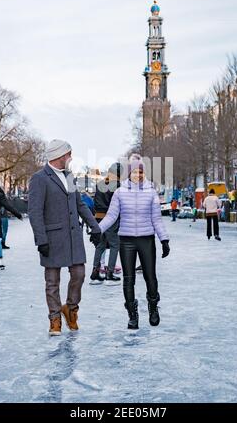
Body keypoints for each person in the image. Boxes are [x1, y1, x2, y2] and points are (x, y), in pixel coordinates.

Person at [28, 139, 101, 336]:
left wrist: (95, 228)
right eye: (69, 154)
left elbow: (80, 205)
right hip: (52, 238)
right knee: (52, 281)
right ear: (60, 155)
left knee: (79, 274)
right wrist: (41, 238)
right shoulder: (39, 178)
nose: (71, 157)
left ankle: (71, 308)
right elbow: (35, 211)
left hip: (73, 237)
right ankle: (54, 319)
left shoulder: (69, 177)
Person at [92, 157, 170, 329]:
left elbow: (156, 218)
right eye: (134, 172)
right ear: (129, 173)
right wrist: (98, 230)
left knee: (150, 276)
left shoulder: (151, 192)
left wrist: (164, 239)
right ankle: (132, 314)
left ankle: (153, 307)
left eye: (140, 172)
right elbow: (111, 216)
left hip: (146, 239)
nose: (138, 175)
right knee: (129, 279)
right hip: (126, 240)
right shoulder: (120, 192)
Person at [90, 162, 123, 285]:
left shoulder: (100, 184)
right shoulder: (118, 185)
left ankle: (95, 271)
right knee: (115, 245)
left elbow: (95, 202)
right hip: (110, 219)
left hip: (98, 218)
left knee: (100, 245)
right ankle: (109, 272)